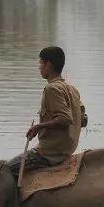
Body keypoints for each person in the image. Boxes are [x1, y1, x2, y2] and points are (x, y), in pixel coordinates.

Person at [6, 46, 87, 181]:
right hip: (68, 150)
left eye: (41, 63)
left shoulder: (52, 88)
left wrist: (38, 127)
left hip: (49, 153)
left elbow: (65, 119)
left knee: (5, 170)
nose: (39, 67)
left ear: (48, 65)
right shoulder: (72, 89)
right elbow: (83, 120)